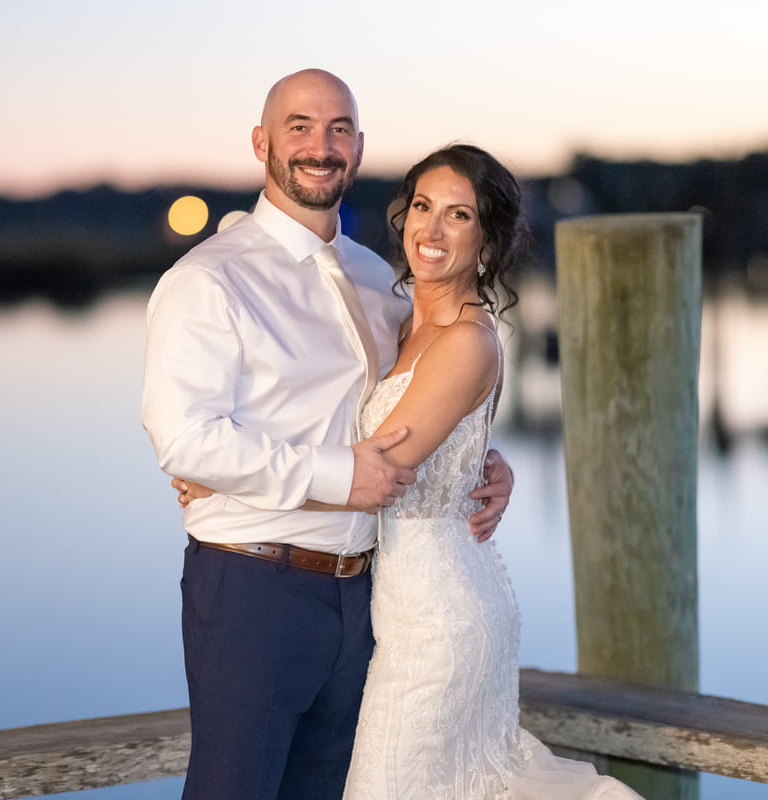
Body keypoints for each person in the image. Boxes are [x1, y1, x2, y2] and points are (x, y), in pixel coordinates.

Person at [140, 69, 514, 800]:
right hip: (256, 586)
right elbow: (183, 437)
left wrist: (484, 463)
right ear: (262, 143)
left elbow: (431, 397)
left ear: (359, 146)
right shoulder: (211, 280)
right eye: (300, 127)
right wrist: (336, 477)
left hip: (369, 598)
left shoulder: (380, 280)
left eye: (339, 128)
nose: (321, 145)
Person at [336, 144, 644, 799]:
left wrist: (233, 480)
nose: (431, 229)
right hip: (413, 606)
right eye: (422, 207)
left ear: (488, 241)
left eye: (458, 215)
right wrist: (488, 462)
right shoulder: (405, 325)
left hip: (439, 623)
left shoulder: (466, 342)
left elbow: (380, 471)